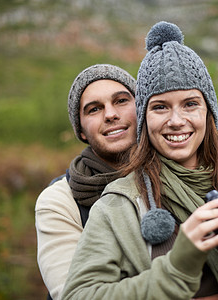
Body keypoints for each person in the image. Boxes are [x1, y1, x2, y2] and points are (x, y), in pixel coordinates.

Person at [62, 22, 218, 300]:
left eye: (190, 104)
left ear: (209, 113)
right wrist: (177, 267)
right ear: (143, 120)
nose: (176, 121)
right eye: (160, 107)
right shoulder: (120, 204)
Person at [35, 64, 137, 300]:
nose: (110, 114)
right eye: (94, 109)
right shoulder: (59, 200)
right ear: (81, 131)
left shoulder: (173, 176)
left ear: (141, 108)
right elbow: (72, 293)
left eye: (121, 101)